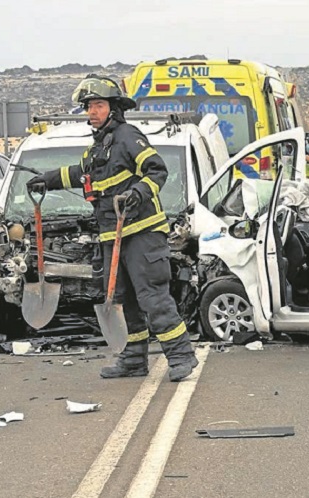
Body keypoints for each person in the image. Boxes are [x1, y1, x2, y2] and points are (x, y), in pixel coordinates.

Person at [26, 75, 198, 381]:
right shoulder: (95, 148)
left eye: (99, 105)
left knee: (152, 296)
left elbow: (157, 169)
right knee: (121, 299)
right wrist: (47, 179)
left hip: (142, 232)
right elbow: (81, 174)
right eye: (89, 106)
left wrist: (138, 193)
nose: (92, 111)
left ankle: (181, 355)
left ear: (114, 108)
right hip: (111, 235)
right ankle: (133, 359)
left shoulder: (127, 136)